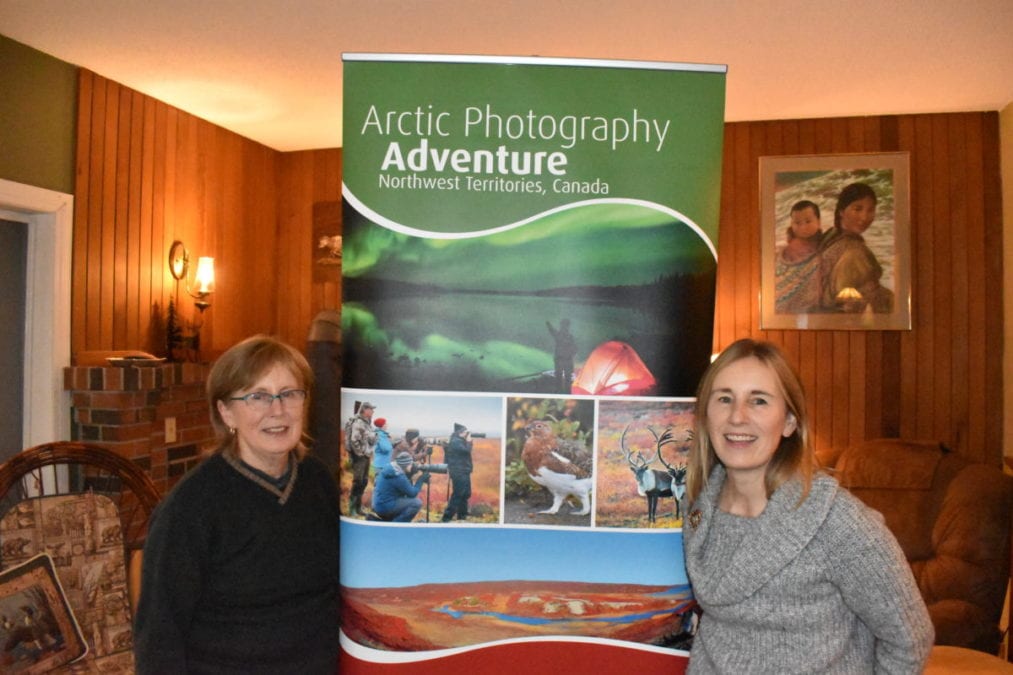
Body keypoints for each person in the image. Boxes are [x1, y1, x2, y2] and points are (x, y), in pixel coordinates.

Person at [682, 338, 933, 673]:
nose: (737, 417)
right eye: (724, 399)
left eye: (758, 401)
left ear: (789, 422)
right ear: (705, 415)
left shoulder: (839, 523)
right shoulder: (695, 508)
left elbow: (909, 640)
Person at [134, 335, 340, 674]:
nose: (278, 409)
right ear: (226, 411)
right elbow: (159, 635)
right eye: (258, 397)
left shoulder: (318, 481)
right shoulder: (191, 507)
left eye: (289, 394)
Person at [818, 182, 895, 313]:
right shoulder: (855, 252)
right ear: (842, 211)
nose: (865, 217)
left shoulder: (830, 236)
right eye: (857, 209)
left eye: (870, 210)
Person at [774, 199, 824, 314]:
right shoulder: (781, 251)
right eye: (797, 223)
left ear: (818, 221)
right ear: (792, 224)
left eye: (808, 221)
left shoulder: (826, 247)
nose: (803, 227)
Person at [372, 452, 429, 522]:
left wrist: (410, 474)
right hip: (385, 507)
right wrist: (421, 480)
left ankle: (392, 521)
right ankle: (396, 525)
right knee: (416, 503)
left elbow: (405, 488)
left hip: (379, 505)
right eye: (411, 464)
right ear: (405, 465)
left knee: (406, 499)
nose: (412, 465)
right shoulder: (398, 476)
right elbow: (412, 493)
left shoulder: (392, 469)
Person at [345, 401, 377, 515]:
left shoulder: (367, 423)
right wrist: (360, 453)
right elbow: (354, 440)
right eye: (371, 409)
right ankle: (352, 508)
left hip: (366, 456)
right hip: (360, 457)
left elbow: (368, 439)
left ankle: (358, 508)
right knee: (358, 481)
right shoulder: (359, 422)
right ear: (365, 410)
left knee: (363, 481)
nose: (373, 411)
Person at [440, 423, 474, 522]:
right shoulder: (456, 442)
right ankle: (446, 517)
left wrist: (467, 441)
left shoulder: (459, 440)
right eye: (464, 432)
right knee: (458, 494)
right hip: (458, 471)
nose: (466, 434)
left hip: (464, 470)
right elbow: (467, 451)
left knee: (466, 493)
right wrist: (469, 441)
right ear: (459, 433)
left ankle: (462, 515)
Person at [546, 318, 577, 393]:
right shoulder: (564, 336)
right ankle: (561, 391)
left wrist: (570, 354)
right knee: (560, 377)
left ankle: (565, 391)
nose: (563, 327)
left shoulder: (567, 336)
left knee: (565, 378)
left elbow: (575, 349)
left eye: (564, 325)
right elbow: (552, 331)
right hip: (561, 360)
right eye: (563, 325)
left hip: (565, 360)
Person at [371, 417, 393, 482]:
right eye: (385, 423)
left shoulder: (380, 434)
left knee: (380, 483)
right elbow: (386, 449)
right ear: (382, 425)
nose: (387, 425)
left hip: (381, 462)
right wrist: (391, 445)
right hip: (382, 464)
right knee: (379, 484)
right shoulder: (381, 435)